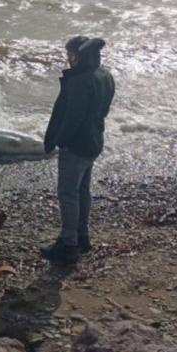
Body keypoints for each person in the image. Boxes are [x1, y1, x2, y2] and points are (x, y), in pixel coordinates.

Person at [41, 36, 115, 264]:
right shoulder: (104, 75)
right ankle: (82, 237)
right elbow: (104, 110)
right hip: (94, 140)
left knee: (68, 193)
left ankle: (68, 244)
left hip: (76, 144)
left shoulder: (80, 81)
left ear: (78, 56)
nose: (68, 59)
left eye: (70, 54)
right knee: (82, 191)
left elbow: (72, 117)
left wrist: (61, 141)